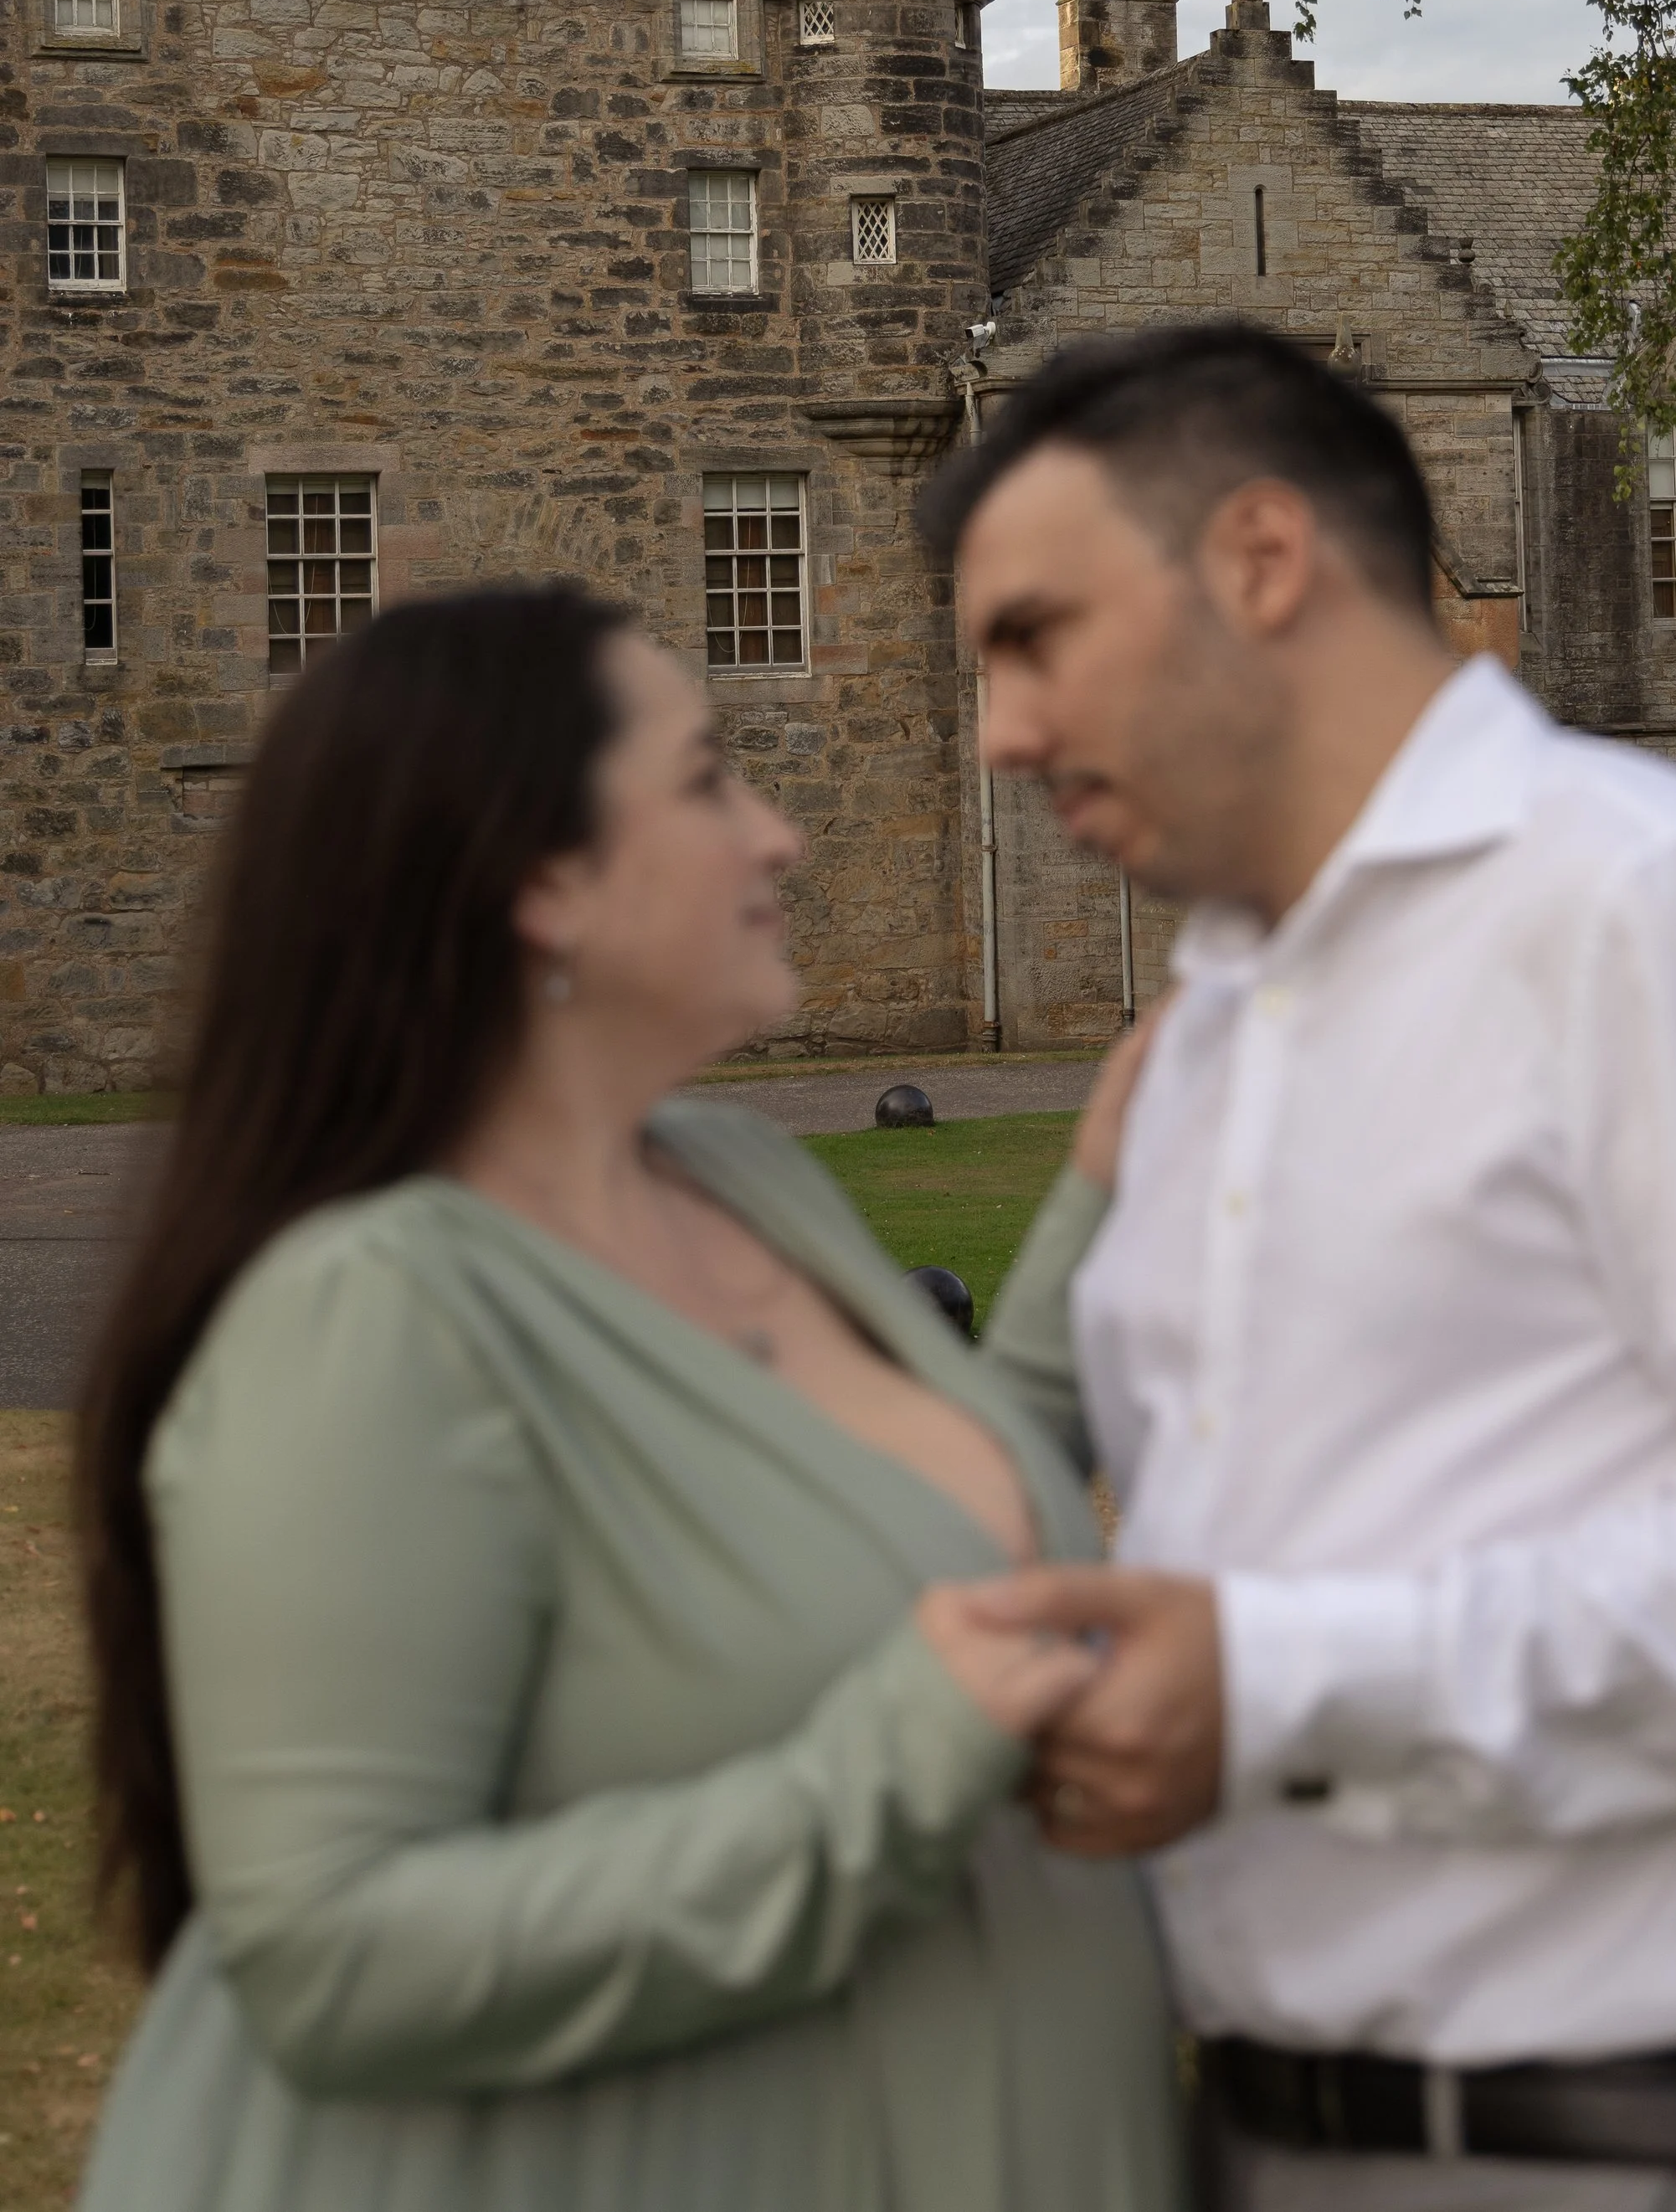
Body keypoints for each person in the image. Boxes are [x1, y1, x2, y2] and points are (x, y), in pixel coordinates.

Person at [918, 322, 1676, 2212]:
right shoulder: (1216, 1010)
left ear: (1261, 561)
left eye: (1033, 634)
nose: (1001, 729)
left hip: (1614, 2148)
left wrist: (1279, 1682)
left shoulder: (1643, 908)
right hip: (1251, 2127)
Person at [75, 582, 1184, 2212]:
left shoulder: (731, 1172)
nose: (780, 836)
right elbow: (332, 1948)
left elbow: (928, 1501)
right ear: (542, 881)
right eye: (708, 779)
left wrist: (1105, 1182)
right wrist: (900, 1765)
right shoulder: (370, 1312)